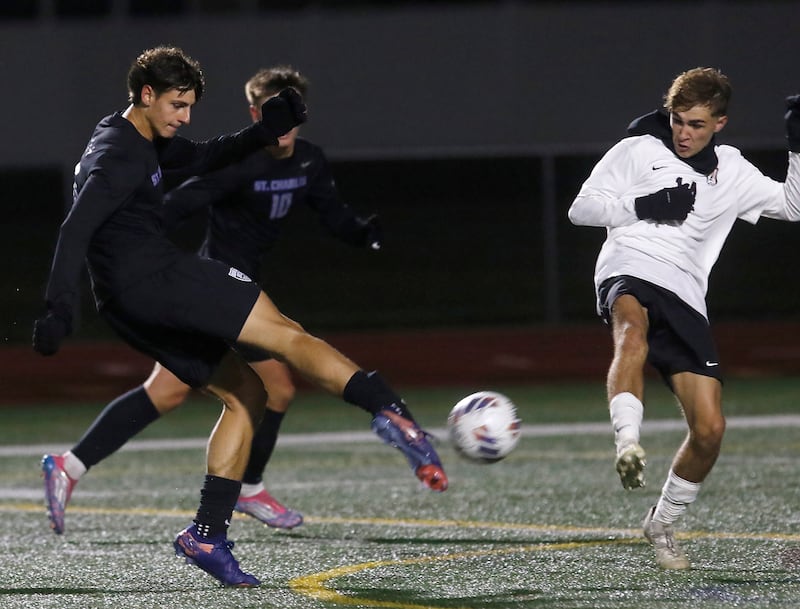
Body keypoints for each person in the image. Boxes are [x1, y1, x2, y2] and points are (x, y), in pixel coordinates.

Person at [33, 46, 448, 588]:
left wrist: (259, 133)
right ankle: (390, 412)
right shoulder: (120, 154)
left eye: (190, 106)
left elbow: (199, 155)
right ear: (146, 93)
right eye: (177, 105)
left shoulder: (126, 133)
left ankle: (207, 533)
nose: (183, 117)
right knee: (287, 336)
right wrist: (58, 307)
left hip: (128, 300)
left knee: (248, 394)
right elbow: (74, 229)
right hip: (157, 280)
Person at [568, 67, 800, 570]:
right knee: (632, 334)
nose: (683, 133)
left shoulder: (734, 171)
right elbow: (580, 209)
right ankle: (627, 444)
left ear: (720, 122)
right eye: (677, 121)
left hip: (687, 293)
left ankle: (662, 522)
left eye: (696, 124)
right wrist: (644, 204)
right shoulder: (637, 150)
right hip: (629, 265)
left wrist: (797, 149)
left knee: (711, 429)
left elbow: (793, 205)